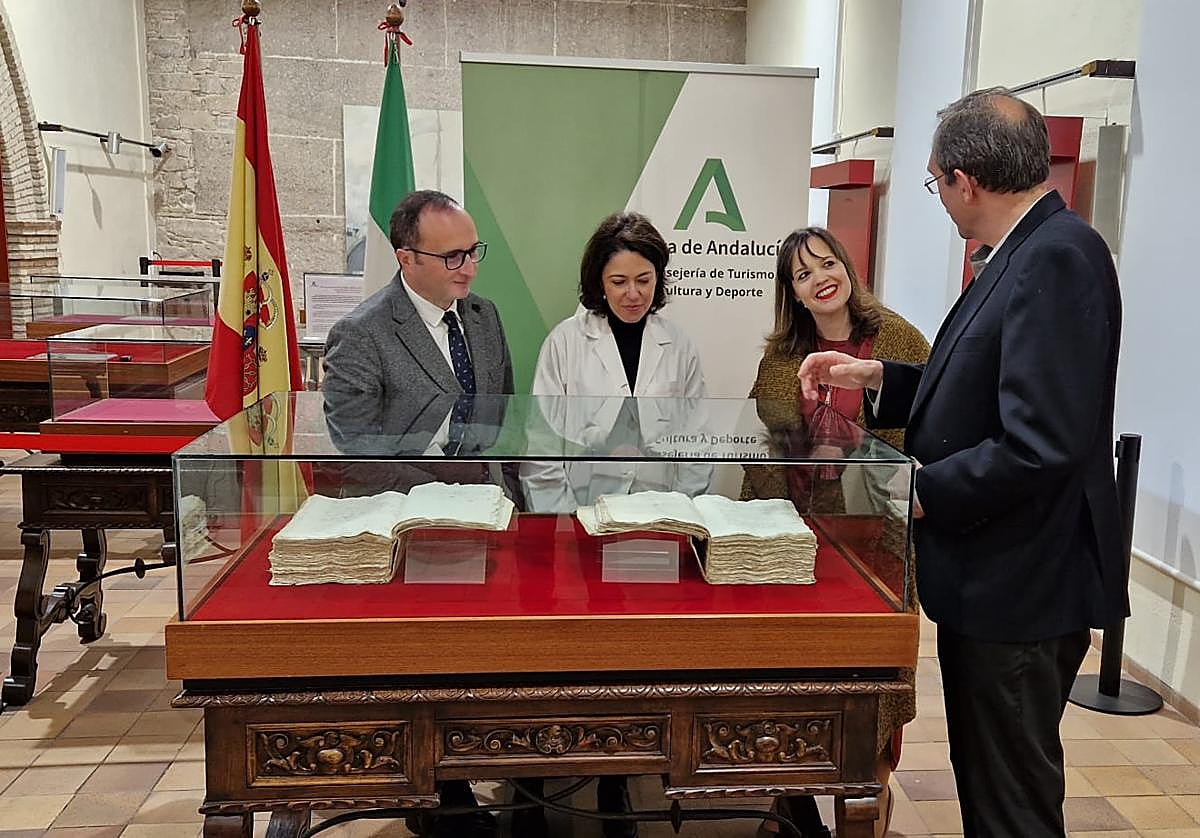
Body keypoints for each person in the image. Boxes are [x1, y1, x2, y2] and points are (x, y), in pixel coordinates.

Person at [798, 88, 1125, 837]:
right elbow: (985, 390)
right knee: (989, 779)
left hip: (1023, 586)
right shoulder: (1024, 250)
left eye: (935, 182)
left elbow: (1040, 442)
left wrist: (920, 492)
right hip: (1000, 578)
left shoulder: (1059, 257)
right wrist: (878, 378)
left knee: (1010, 799)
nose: (940, 199)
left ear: (964, 180)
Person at [323, 189, 511, 838]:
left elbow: (499, 414)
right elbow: (355, 451)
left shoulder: (483, 317)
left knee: (489, 656)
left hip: (485, 511)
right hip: (406, 517)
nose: (469, 266)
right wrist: (438, 492)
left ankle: (497, 768)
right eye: (453, 255)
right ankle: (438, 795)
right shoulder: (362, 332)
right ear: (406, 258)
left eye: (473, 251)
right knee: (429, 661)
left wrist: (504, 492)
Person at [516, 211, 710, 838]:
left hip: (652, 521)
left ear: (659, 280)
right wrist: (553, 524)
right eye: (619, 280)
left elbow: (696, 437)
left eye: (644, 280)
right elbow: (540, 443)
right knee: (578, 655)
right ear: (597, 281)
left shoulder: (677, 345)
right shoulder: (566, 343)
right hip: (580, 520)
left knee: (638, 654)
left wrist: (684, 516)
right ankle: (558, 768)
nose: (632, 293)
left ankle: (617, 781)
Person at [742, 227, 928, 838]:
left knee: (870, 689)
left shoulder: (898, 340)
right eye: (803, 273)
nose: (821, 276)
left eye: (827, 262)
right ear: (791, 293)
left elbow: (928, 427)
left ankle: (867, 808)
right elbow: (764, 445)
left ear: (847, 267)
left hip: (877, 547)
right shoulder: (782, 354)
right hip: (800, 543)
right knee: (791, 680)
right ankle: (786, 806)